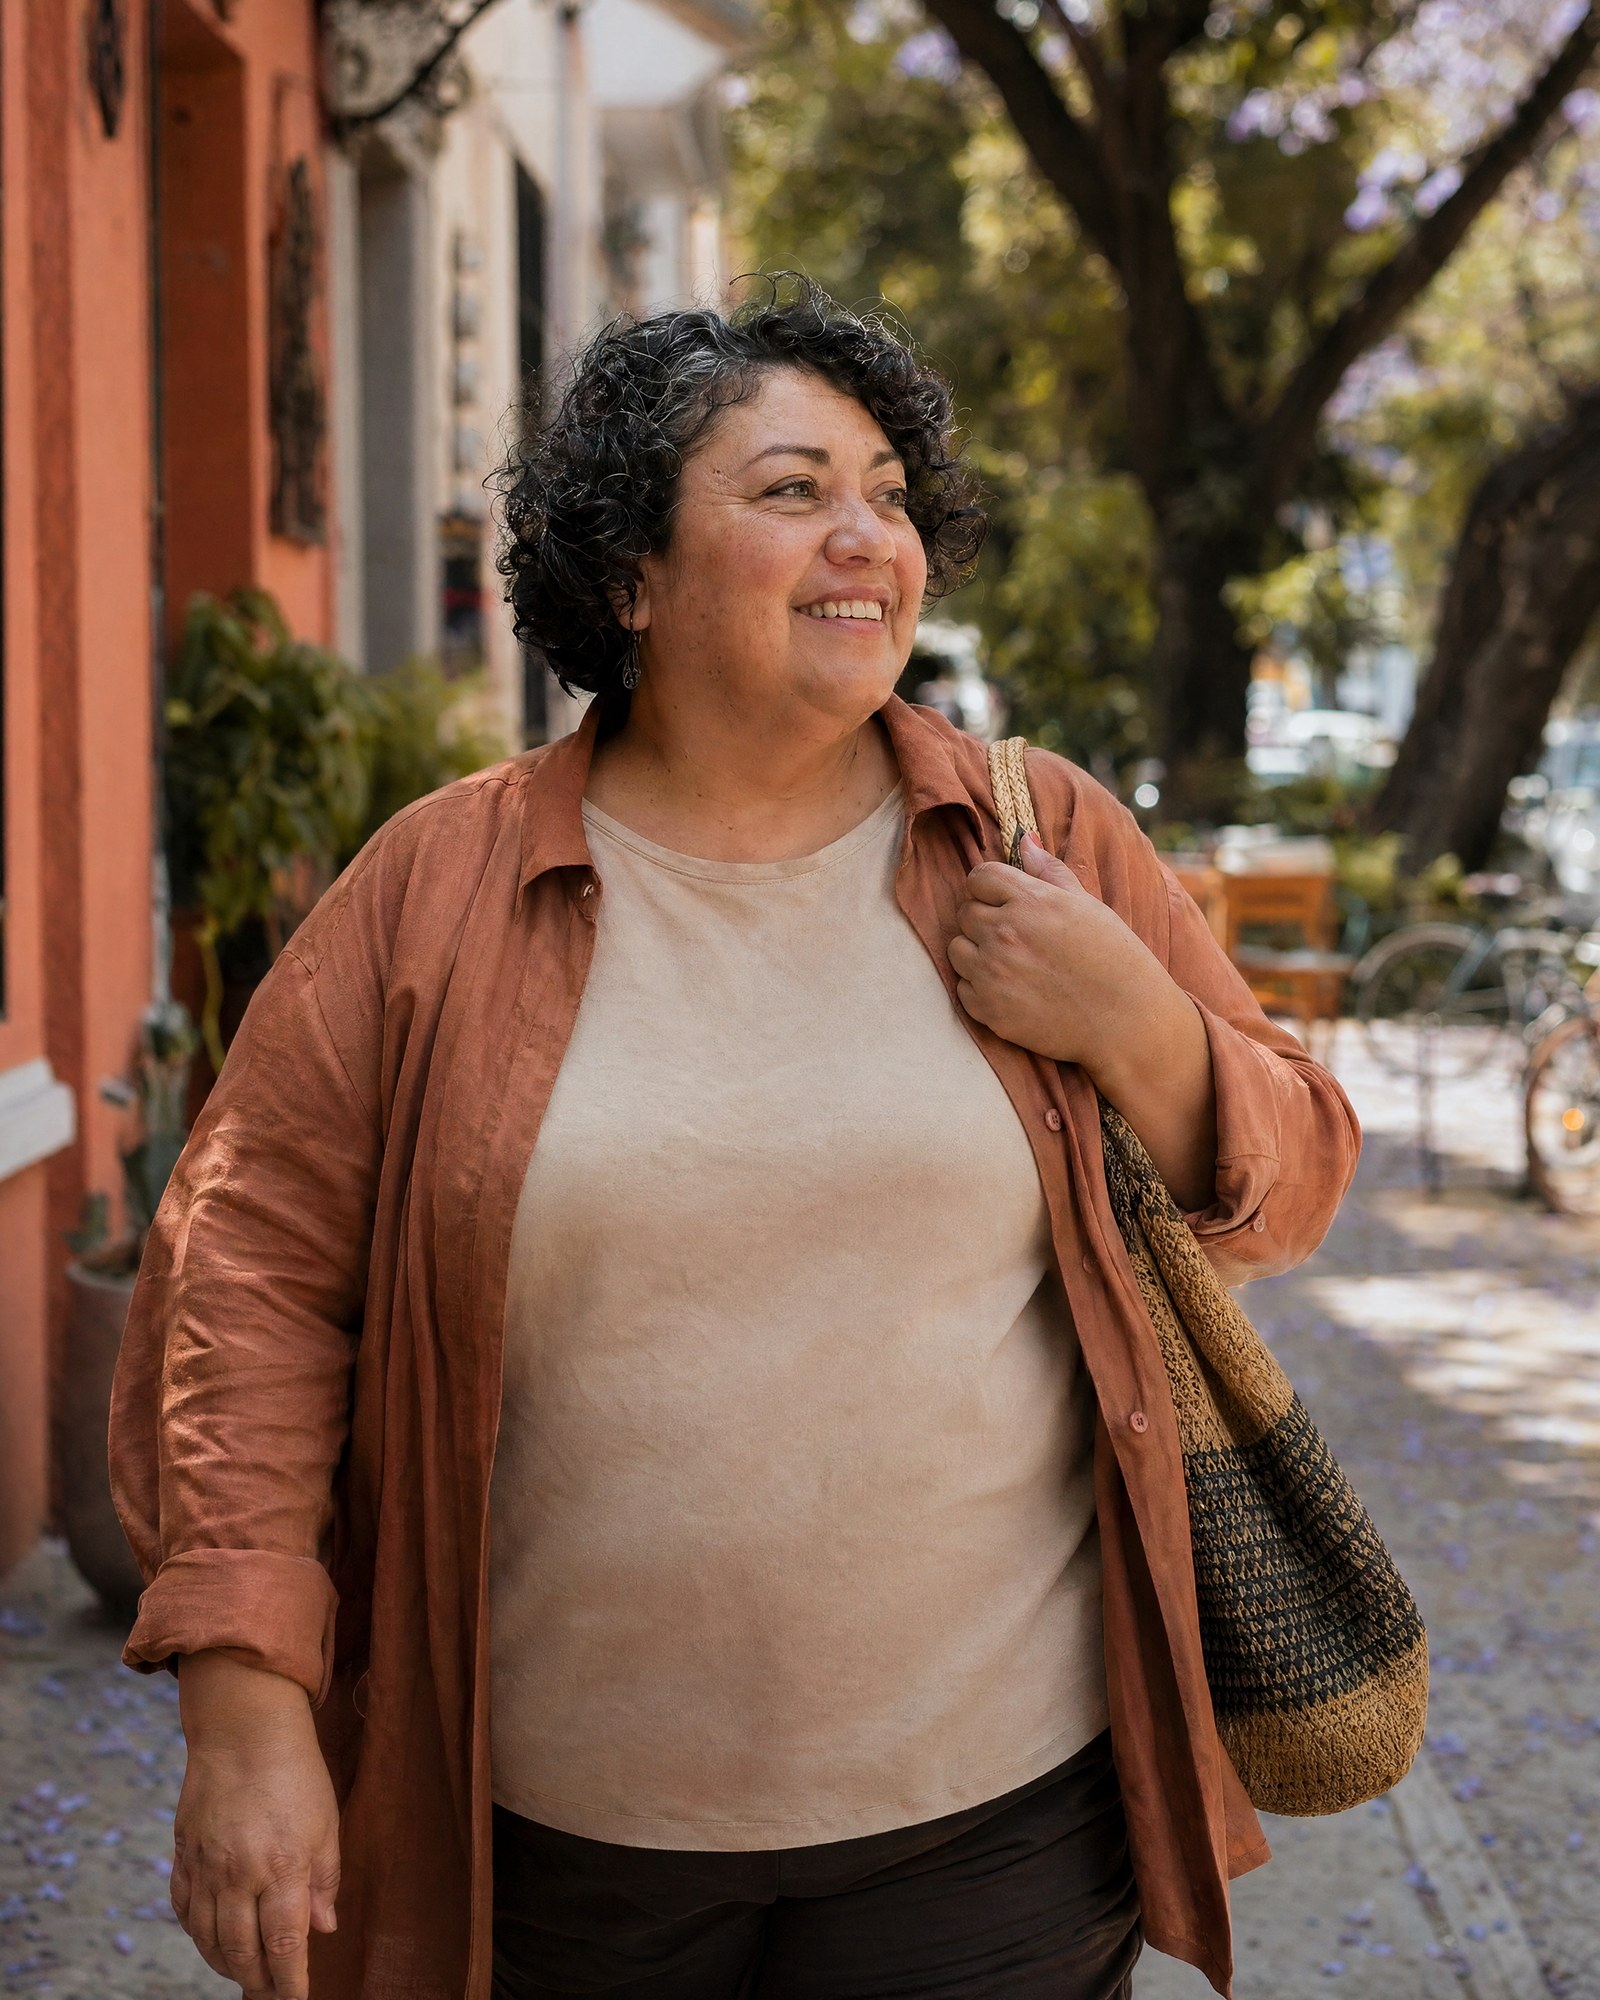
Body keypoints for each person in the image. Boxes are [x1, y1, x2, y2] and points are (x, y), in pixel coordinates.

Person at [110, 279, 1360, 2000]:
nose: (868, 538)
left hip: (995, 1827)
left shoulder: (1038, 835)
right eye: (792, 491)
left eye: (890, 496)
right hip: (554, 1845)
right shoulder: (433, 888)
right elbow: (244, 1286)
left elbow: (1295, 1181)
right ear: (631, 574)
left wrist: (1136, 1021)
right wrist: (247, 1716)